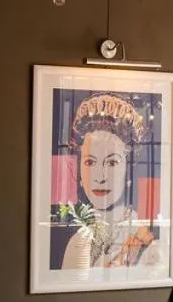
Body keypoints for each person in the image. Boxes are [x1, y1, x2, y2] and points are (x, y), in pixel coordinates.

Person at [59, 92, 166, 270]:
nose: (100, 177)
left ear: (128, 169)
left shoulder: (148, 245)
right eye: (90, 162)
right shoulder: (77, 242)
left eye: (112, 163)